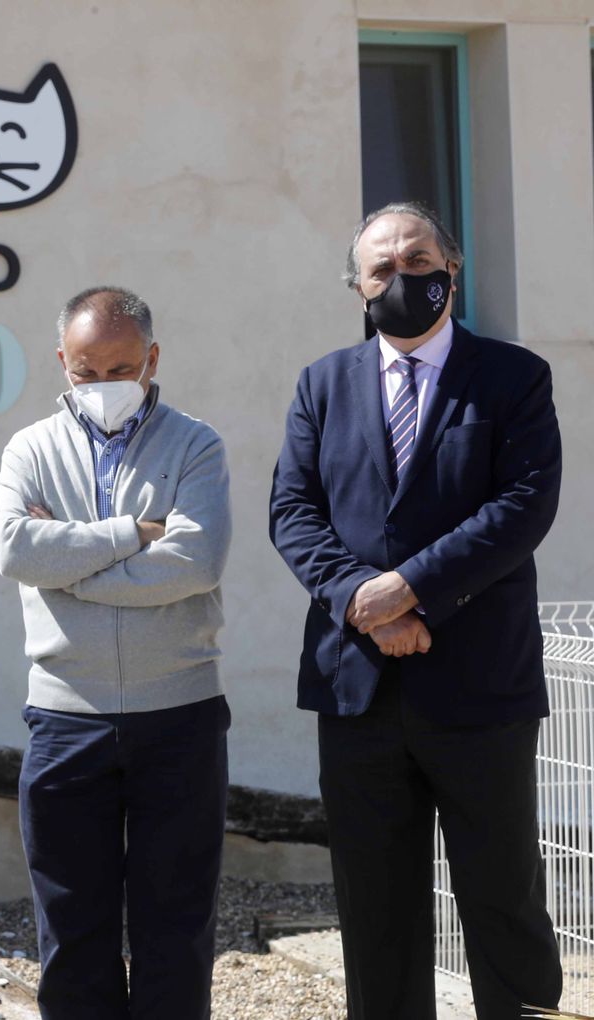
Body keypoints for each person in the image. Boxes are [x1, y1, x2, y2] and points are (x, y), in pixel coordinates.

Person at [269, 201, 562, 1019]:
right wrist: (365, 601)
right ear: (358, 287)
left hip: (479, 690)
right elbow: (293, 512)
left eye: (420, 261)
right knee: (375, 911)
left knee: (503, 900)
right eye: (383, 269)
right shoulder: (322, 384)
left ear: (452, 269)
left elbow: (523, 505)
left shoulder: (512, 377)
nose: (404, 278)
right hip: (357, 690)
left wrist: (412, 587)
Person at [0, 286, 232, 1019]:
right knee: (70, 931)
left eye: (120, 369)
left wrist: (68, 568)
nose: (101, 387)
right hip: (67, 720)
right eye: (85, 371)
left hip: (180, 714)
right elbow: (13, 549)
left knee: (178, 929)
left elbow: (196, 563)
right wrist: (134, 532)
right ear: (61, 361)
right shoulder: (29, 448)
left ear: (152, 358)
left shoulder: (197, 444)